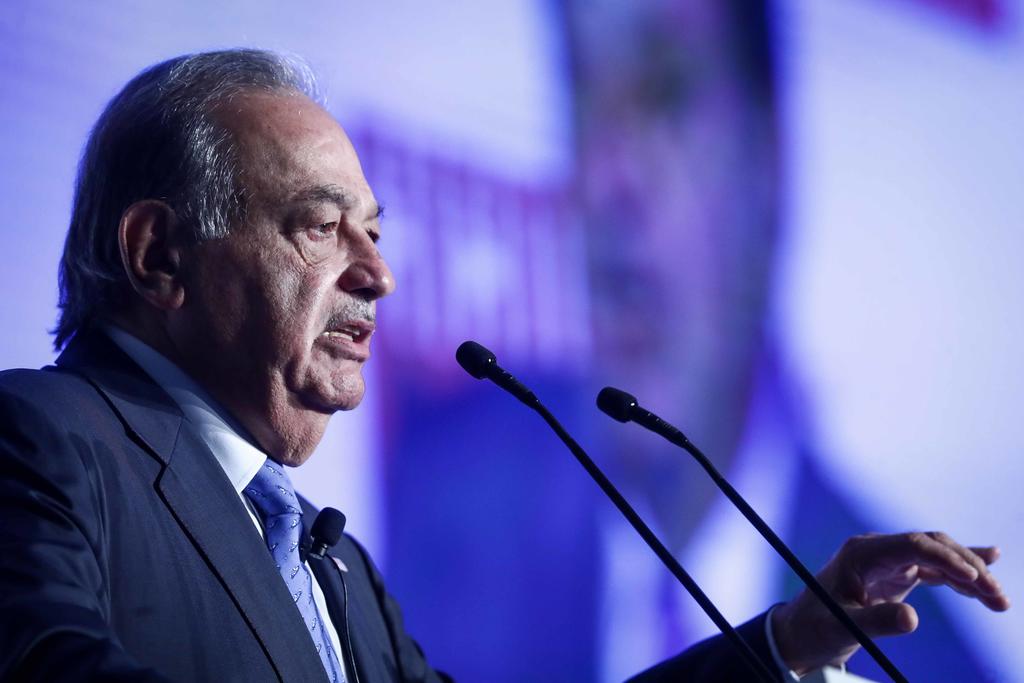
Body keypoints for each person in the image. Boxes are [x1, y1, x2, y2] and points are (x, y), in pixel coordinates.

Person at [0, 49, 1009, 683]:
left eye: (375, 231)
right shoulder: (38, 443)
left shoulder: (334, 569)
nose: (379, 275)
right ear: (158, 256)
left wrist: (786, 639)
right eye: (319, 226)